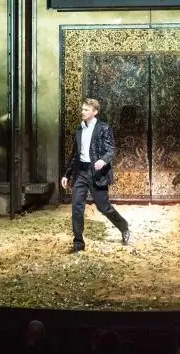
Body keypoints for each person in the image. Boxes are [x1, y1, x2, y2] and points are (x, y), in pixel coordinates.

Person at [61, 98, 130, 253]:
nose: (82, 111)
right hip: (81, 172)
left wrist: (103, 161)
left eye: (86, 109)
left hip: (96, 173)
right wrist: (66, 174)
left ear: (95, 112)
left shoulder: (103, 128)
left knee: (104, 207)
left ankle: (124, 227)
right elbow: (74, 155)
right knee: (77, 208)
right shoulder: (79, 129)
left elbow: (111, 150)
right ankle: (78, 243)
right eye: (82, 109)